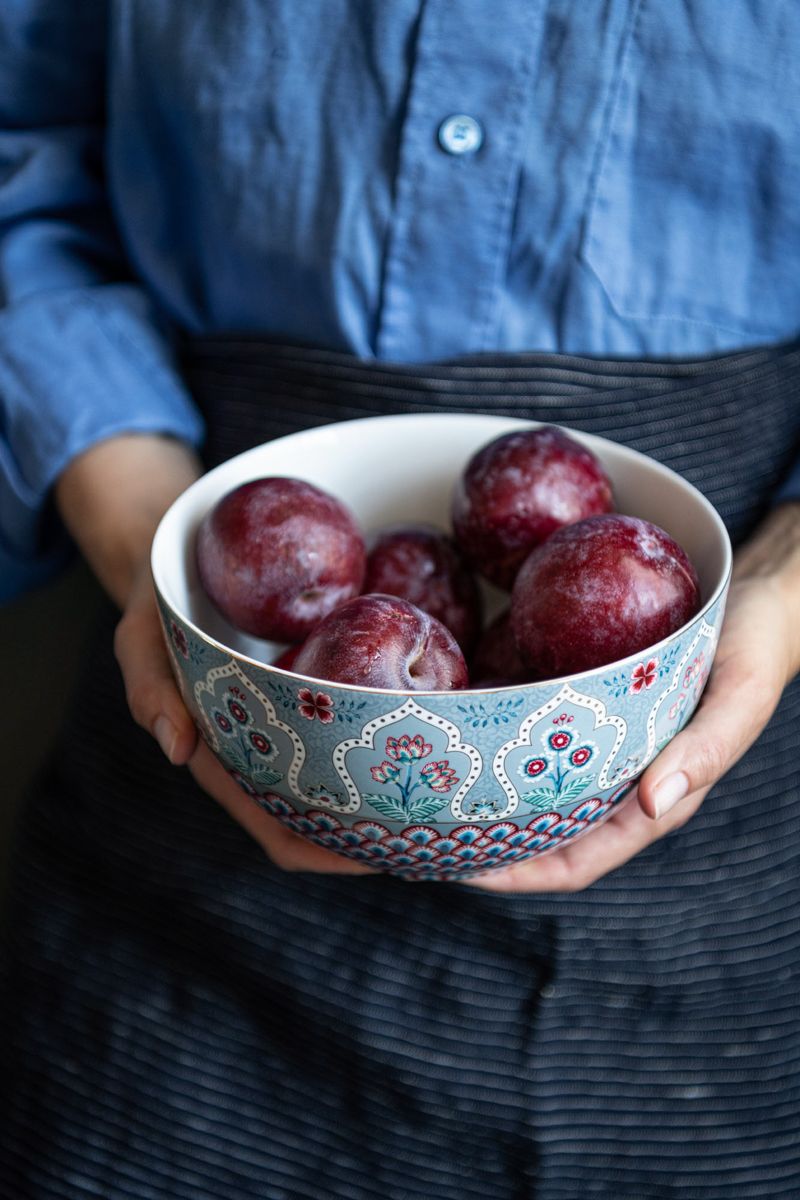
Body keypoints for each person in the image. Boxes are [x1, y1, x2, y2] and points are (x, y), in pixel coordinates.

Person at [3, 3, 800, 1197]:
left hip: (738, 878)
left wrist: (784, 589)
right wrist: (155, 558)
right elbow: (23, 154)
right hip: (194, 795)